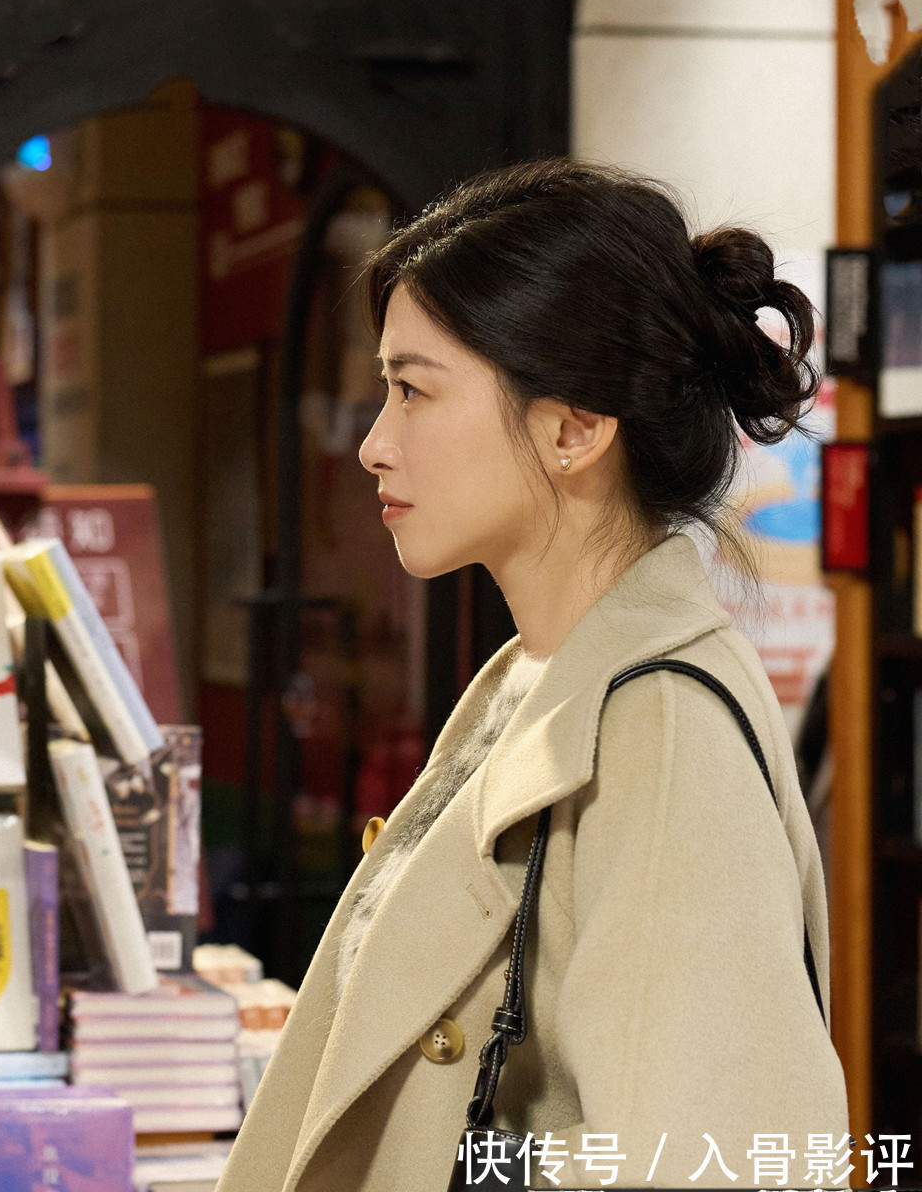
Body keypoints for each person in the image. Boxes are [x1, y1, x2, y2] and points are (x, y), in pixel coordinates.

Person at [219, 159, 849, 1191]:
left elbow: (706, 1164)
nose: (375, 444)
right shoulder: (541, 674)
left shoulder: (657, 725)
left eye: (415, 390)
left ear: (573, 429)